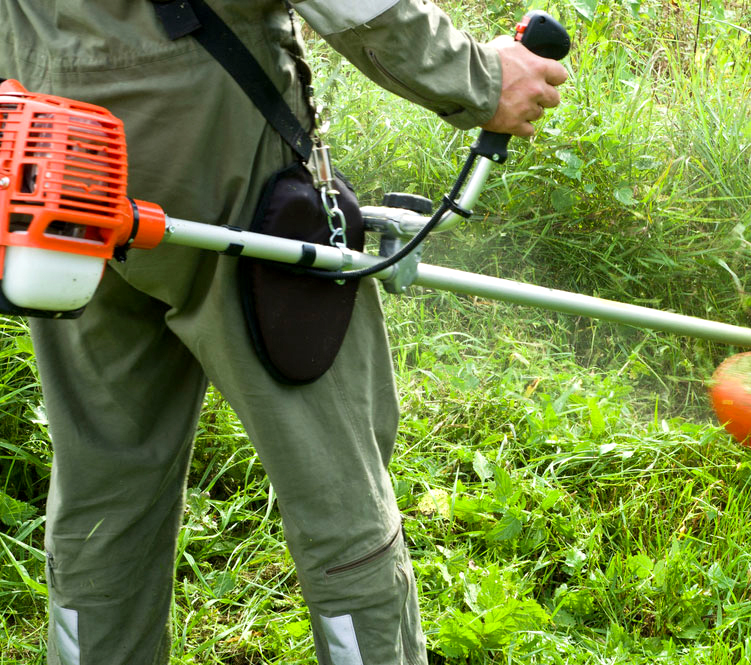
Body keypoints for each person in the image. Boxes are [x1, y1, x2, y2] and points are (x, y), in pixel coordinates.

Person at [0, 1, 567, 663]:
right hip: (212, 149)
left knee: (104, 484)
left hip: (50, 150)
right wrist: (479, 78)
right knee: (337, 489)